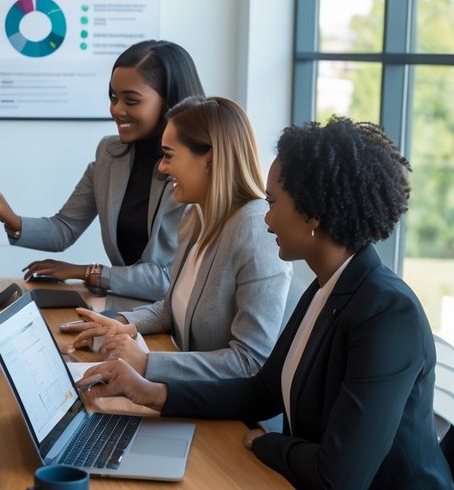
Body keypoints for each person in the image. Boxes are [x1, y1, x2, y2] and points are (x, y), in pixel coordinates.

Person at [80, 118, 454, 490]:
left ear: (314, 215)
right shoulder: (327, 288)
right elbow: (262, 392)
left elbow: (340, 477)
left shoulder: (385, 313)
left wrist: (266, 444)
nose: (267, 216)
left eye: (274, 203)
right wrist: (150, 391)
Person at [66, 96, 292, 380]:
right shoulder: (194, 217)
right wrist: (122, 323)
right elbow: (172, 306)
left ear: (209, 160)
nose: (161, 167)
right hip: (187, 392)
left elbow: (250, 361)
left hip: (233, 417)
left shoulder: (255, 230)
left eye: (169, 155)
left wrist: (148, 363)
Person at [0, 39, 204, 300]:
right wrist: (8, 216)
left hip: (174, 317)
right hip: (127, 307)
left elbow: (168, 278)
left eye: (131, 100)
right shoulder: (110, 154)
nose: (117, 110)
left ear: (169, 102)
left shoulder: (192, 169)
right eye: (113, 97)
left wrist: (87, 272)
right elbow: (64, 228)